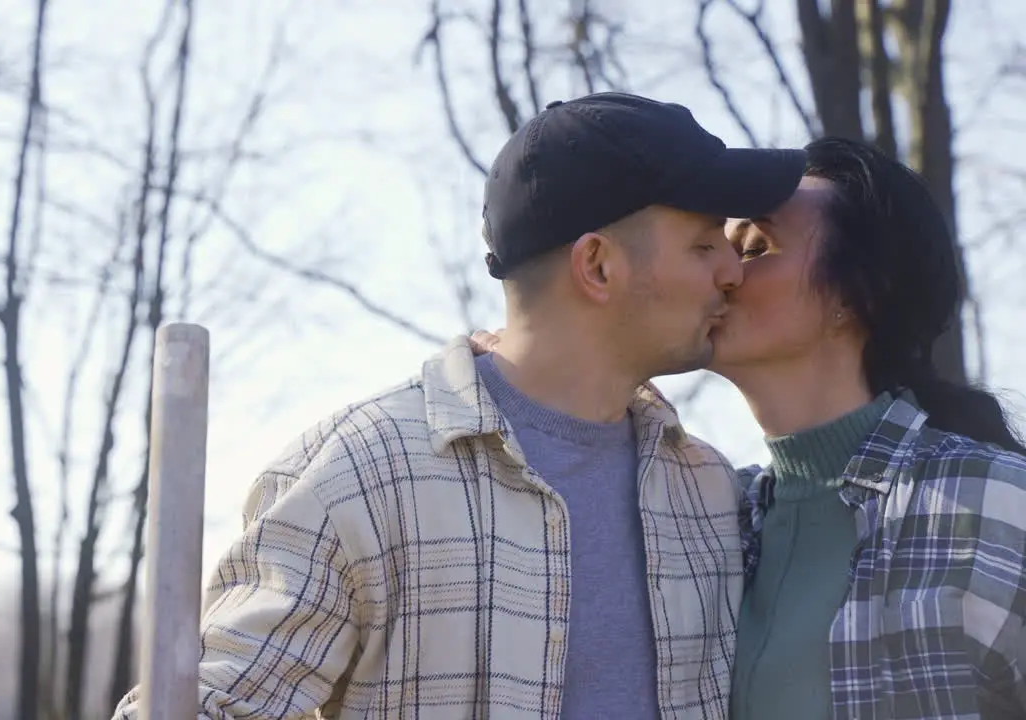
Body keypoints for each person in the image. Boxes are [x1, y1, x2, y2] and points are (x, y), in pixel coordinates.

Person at [110, 92, 805, 720]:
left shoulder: (708, 492)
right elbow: (219, 704)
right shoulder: (361, 476)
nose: (731, 270)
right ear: (597, 267)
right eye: (704, 243)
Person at [472, 136, 1026, 719]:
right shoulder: (712, 520)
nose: (724, 271)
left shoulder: (993, 503)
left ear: (859, 294)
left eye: (758, 246)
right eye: (716, 245)